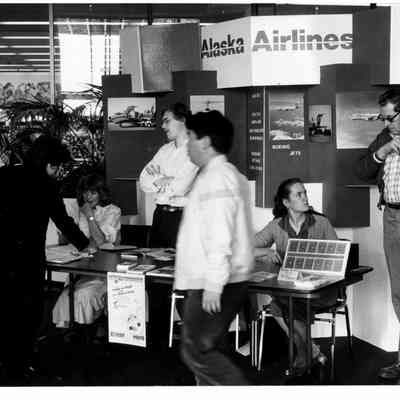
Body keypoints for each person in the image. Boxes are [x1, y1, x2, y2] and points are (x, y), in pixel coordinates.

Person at [0, 135, 89, 380]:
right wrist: (85, 244)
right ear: (49, 163)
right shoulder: (46, 185)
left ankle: (7, 363)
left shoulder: (4, 174)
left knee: (6, 311)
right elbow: (63, 221)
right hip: (26, 260)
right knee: (28, 314)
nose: (58, 173)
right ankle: (20, 367)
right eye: (57, 167)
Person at [174, 110, 254, 385]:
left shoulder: (217, 178)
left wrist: (213, 285)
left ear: (206, 141)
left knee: (197, 351)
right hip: (217, 279)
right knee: (211, 349)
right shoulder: (220, 174)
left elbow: (221, 234)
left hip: (215, 281)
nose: (187, 144)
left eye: (190, 137)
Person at [254, 178, 336, 375]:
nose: (305, 197)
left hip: (320, 291)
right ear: (286, 202)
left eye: (305, 193)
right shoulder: (276, 225)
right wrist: (265, 252)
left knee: (280, 305)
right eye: (299, 194)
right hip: (291, 290)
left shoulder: (321, 223)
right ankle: (310, 351)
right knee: (284, 302)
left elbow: (337, 257)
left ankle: (303, 355)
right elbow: (247, 246)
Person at [355, 88, 400, 380]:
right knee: (399, 293)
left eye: (389, 118)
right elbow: (361, 169)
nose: (385, 123)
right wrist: (380, 152)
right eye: (383, 118)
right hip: (393, 217)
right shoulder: (385, 137)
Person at [52, 174, 121, 329]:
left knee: (83, 295)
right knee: (66, 297)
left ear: (101, 193)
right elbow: (69, 241)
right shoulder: (79, 209)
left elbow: (101, 242)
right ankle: (70, 333)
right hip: (81, 269)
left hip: (102, 271)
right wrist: (65, 227)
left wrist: (89, 216)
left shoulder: (113, 211)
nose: (88, 197)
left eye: (93, 192)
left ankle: (86, 330)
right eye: (85, 192)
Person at [139, 102, 198, 248]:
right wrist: (164, 179)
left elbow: (180, 188)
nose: (163, 126)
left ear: (182, 120)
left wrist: (157, 180)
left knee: (178, 261)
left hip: (183, 217)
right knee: (153, 258)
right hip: (160, 216)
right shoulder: (164, 150)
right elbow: (143, 181)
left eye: (167, 121)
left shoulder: (195, 149)